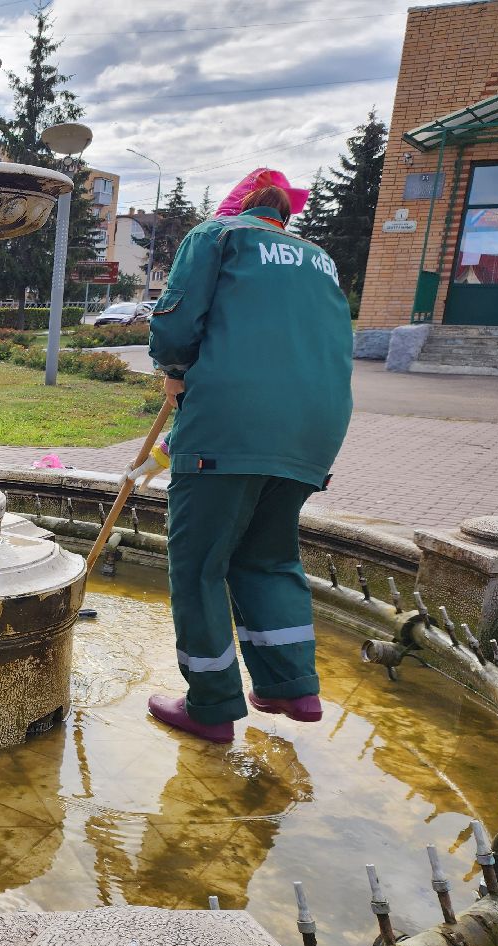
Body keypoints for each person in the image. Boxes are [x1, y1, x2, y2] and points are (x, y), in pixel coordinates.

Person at [132, 170, 352, 743]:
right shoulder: (321, 259)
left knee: (200, 564)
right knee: (269, 556)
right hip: (315, 428)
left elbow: (176, 322)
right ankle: (291, 684)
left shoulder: (217, 236)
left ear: (237, 206)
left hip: (231, 422)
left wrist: (174, 372)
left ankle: (211, 705)